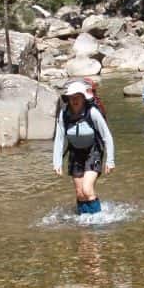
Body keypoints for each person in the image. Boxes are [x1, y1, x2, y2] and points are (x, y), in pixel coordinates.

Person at [53, 80, 115, 215]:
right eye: (71, 97)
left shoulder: (92, 112)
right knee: (80, 193)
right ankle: (84, 222)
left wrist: (110, 160)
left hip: (93, 151)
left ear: (83, 98)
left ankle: (98, 219)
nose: (74, 100)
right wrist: (57, 162)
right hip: (75, 153)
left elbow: (107, 136)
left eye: (77, 97)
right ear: (68, 99)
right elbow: (59, 139)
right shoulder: (64, 115)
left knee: (87, 189)